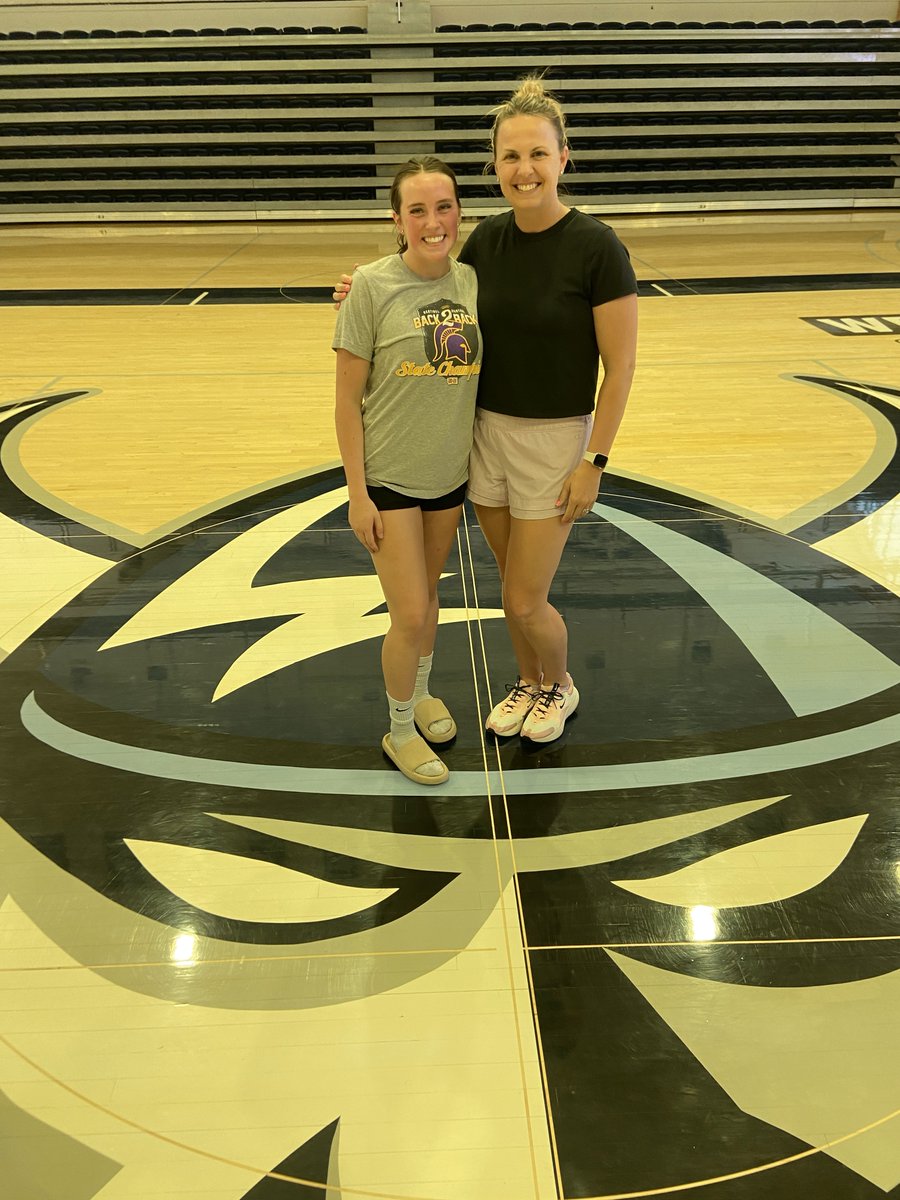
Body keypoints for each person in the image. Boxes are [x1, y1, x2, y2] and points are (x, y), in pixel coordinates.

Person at [335, 77, 637, 745]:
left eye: (538, 154)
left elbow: (620, 370)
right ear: (494, 165)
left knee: (526, 597)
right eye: (510, 156)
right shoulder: (485, 245)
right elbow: (425, 278)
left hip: (554, 442)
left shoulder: (597, 247)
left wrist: (594, 460)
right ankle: (528, 681)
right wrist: (363, 285)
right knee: (509, 588)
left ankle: (559, 685)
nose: (524, 169)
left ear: (563, 157)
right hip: (483, 437)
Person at [333, 156, 481, 786]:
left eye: (443, 207)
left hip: (449, 475)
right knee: (410, 613)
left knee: (430, 597)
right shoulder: (369, 286)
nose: (432, 221)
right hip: (389, 478)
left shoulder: (472, 282)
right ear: (397, 219)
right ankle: (398, 730)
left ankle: (420, 694)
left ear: (459, 213)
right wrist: (357, 494)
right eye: (416, 210)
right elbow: (346, 402)